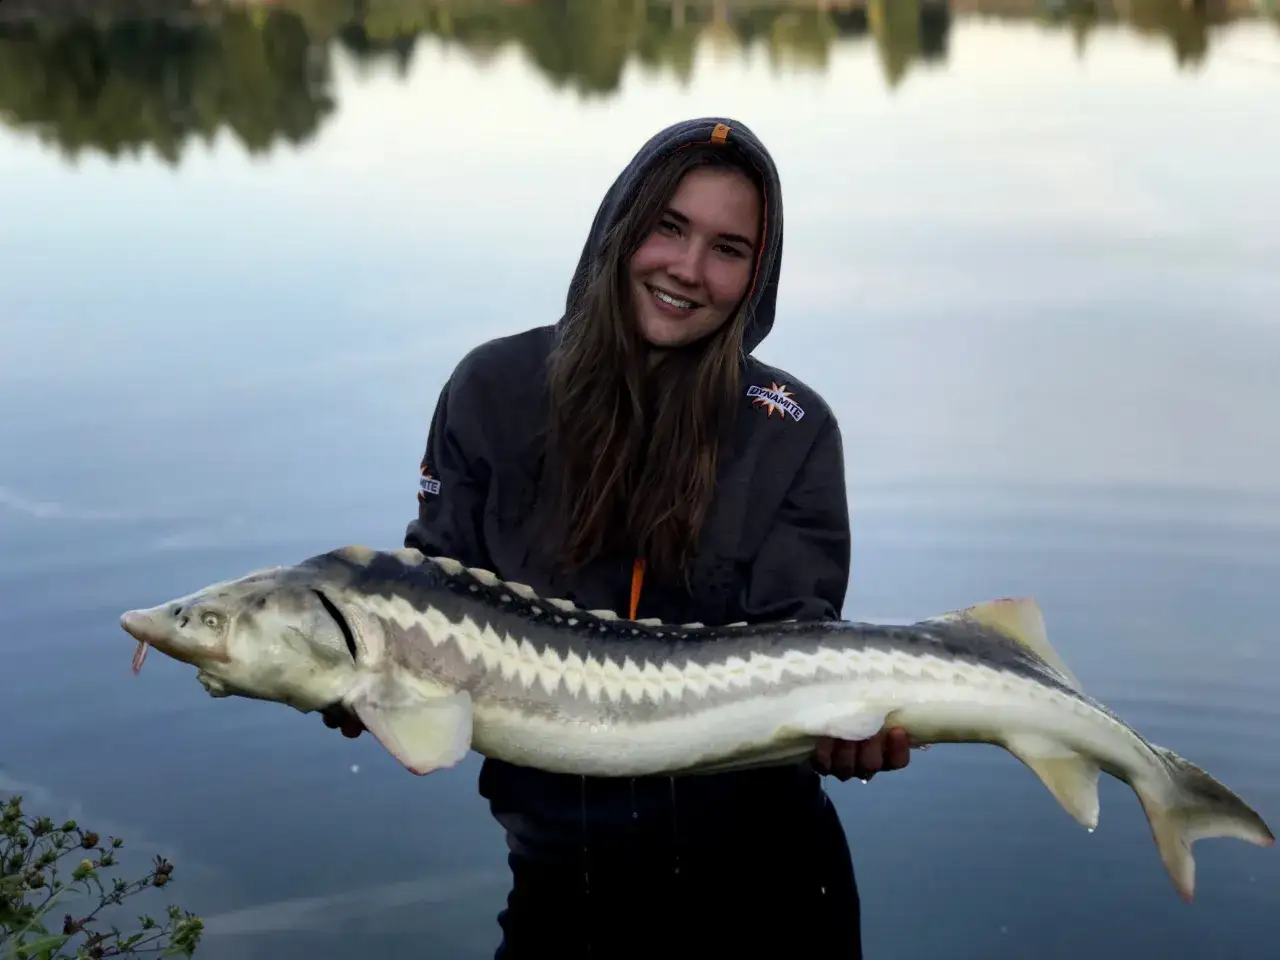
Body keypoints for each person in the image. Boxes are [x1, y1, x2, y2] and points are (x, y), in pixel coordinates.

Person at [324, 117, 911, 958]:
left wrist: (848, 736)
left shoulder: (794, 427)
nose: (687, 269)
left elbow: (800, 636)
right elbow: (430, 597)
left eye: (728, 248)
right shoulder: (492, 389)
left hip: (771, 899)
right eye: (669, 227)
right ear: (620, 226)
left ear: (757, 278)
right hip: (562, 888)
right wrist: (361, 676)